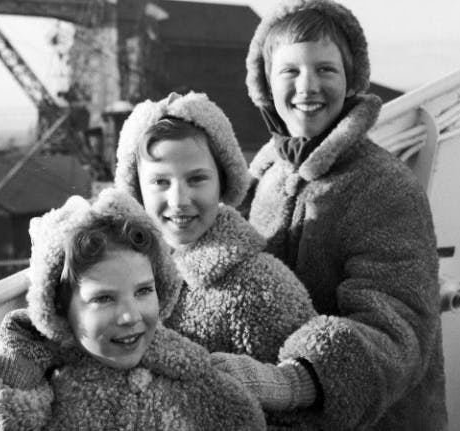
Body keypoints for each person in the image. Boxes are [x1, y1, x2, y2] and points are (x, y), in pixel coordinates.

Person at [209, 0, 446, 430]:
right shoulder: (263, 173)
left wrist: (294, 381)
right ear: (265, 83)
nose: (307, 86)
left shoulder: (384, 186)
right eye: (290, 71)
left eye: (326, 69)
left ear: (351, 79)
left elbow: (399, 327)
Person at [0, 188, 266, 430]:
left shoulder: (201, 386)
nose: (130, 316)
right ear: (58, 306)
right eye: (104, 299)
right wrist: (13, 383)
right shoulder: (18, 394)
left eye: (143, 291)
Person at [113, 91, 317, 410]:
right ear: (136, 189)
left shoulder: (261, 288)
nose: (179, 200)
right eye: (160, 183)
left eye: (196, 179)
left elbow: (307, 393)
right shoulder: (116, 274)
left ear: (221, 182)